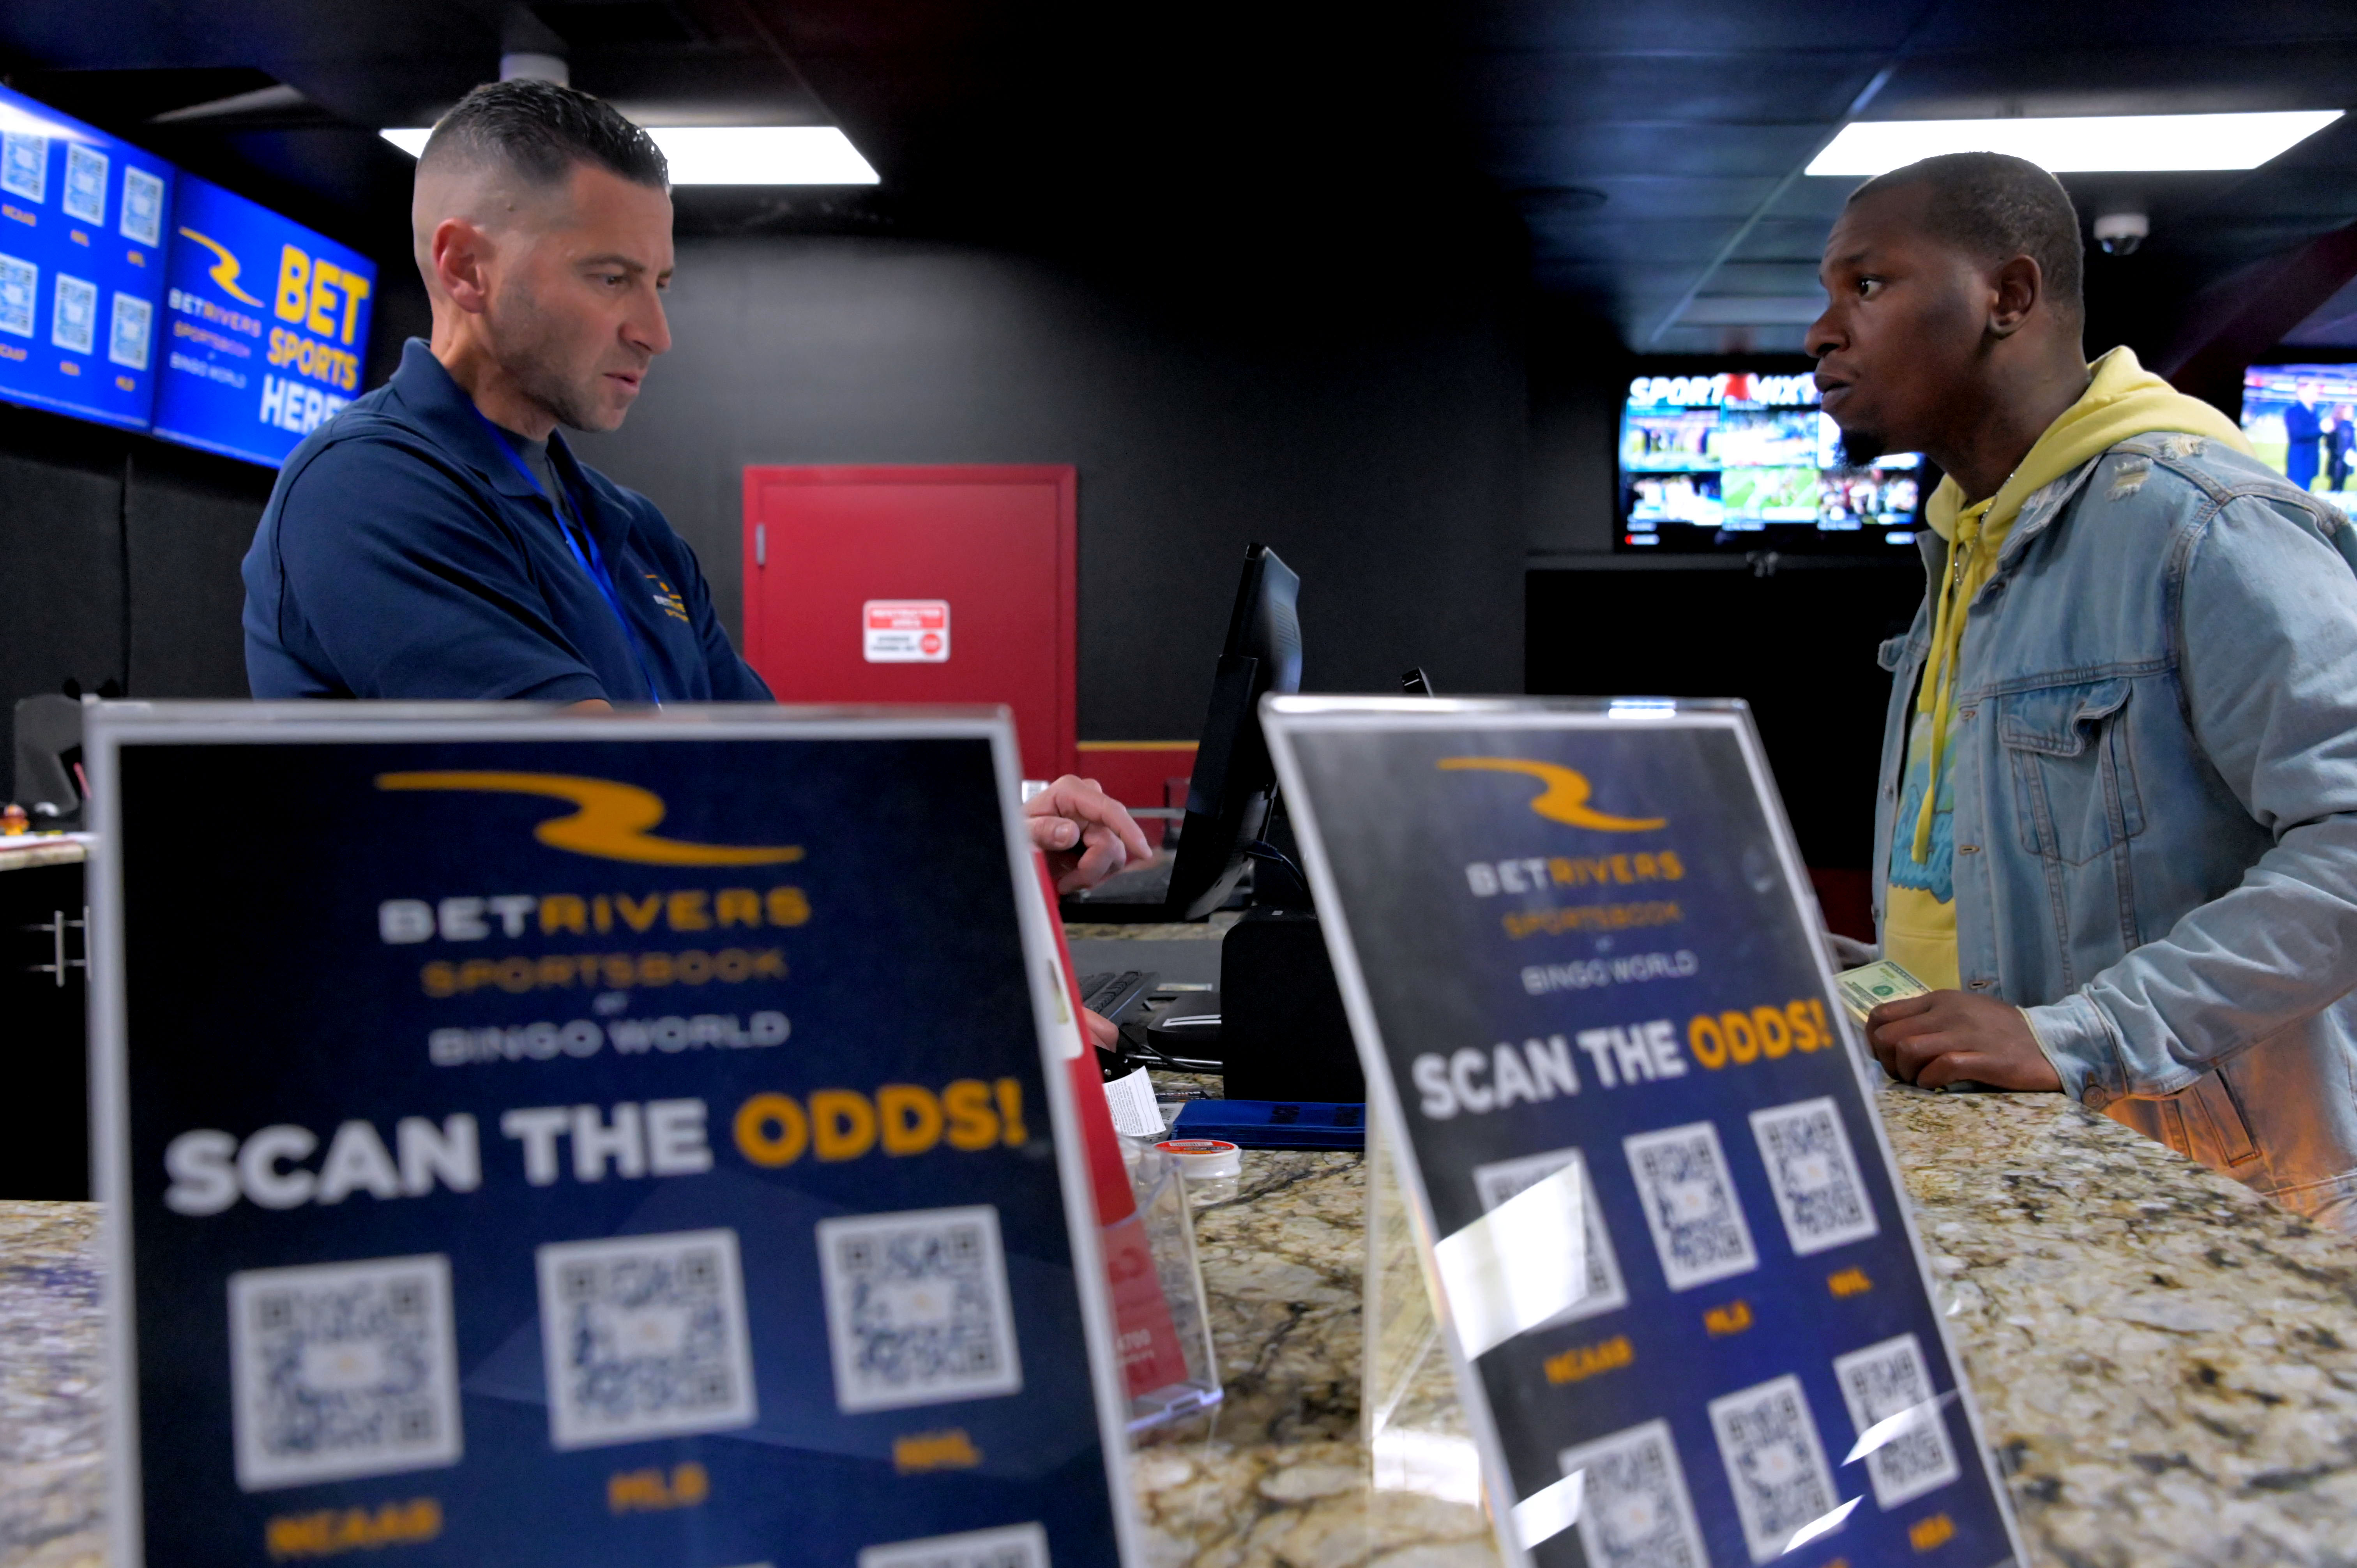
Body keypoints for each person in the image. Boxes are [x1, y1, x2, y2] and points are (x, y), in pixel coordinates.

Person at [240, 79, 1148, 910]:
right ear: (466, 267)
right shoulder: (365, 489)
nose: (656, 331)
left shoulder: (627, 528)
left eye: (661, 283)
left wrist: (1013, 819)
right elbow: (610, 801)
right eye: (612, 278)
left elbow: (776, 775)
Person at [1808, 151, 2357, 1231]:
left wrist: (2081, 1033)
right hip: (2029, 1177)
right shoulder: (1973, 542)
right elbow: (2010, 904)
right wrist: (1868, 978)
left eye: (1866, 286)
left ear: (2008, 297)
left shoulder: (2204, 522)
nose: (1823, 331)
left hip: (2209, 1212)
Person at [2284, 383, 2323, 492]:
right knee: (2297, 496)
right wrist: (2322, 429)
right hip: (2299, 463)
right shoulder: (2294, 411)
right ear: (2301, 392)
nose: (2317, 394)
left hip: (2311, 462)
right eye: (2313, 391)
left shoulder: (2315, 410)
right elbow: (2297, 434)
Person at [2330, 403, 2354, 493]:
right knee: (2336, 485)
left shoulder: (2349, 426)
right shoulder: (2337, 426)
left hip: (2344, 459)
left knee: (2341, 484)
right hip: (2339, 461)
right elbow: (2334, 444)